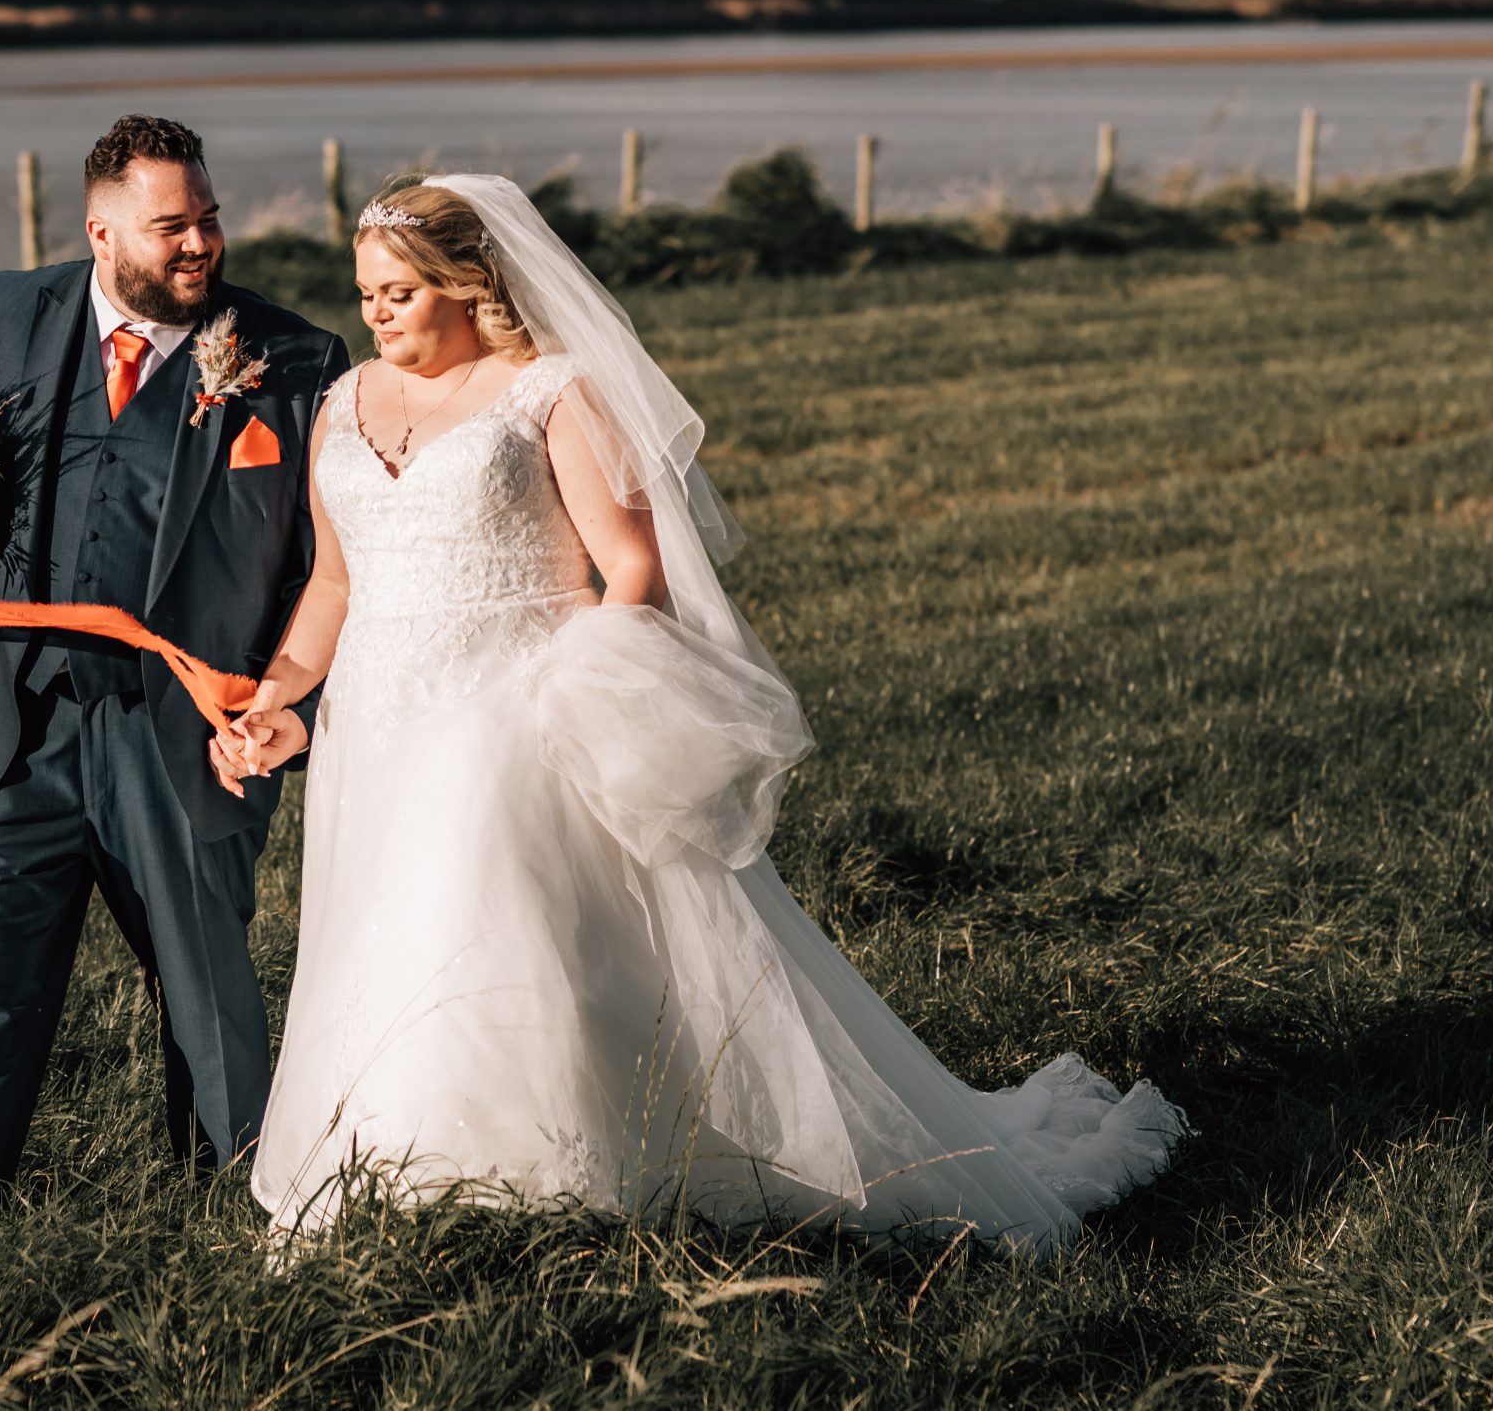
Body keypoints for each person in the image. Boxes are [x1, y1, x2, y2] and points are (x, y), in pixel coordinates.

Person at [217, 174, 1186, 1254]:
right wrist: (277, 694)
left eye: (399, 289)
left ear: (464, 281)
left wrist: (572, 685)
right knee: (382, 940)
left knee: (498, 939)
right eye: (365, 293)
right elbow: (336, 586)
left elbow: (628, 563)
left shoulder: (547, 390)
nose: (377, 312)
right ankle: (404, 1174)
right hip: (380, 727)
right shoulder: (343, 404)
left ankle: (539, 1172)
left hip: (512, 715)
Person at [0, 114, 349, 1192]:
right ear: (101, 231)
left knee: (205, 999)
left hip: (186, 736)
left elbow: (324, 567)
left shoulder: (296, 359)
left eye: (209, 219)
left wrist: (285, 705)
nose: (200, 244)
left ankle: (238, 1215)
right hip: (5, 732)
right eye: (171, 227)